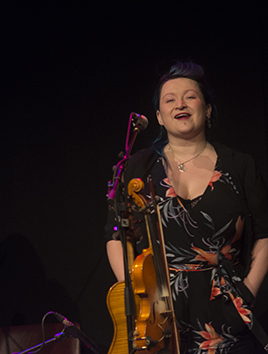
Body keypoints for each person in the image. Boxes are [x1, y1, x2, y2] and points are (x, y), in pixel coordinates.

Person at [105, 62, 268, 353]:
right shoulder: (138, 166)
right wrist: (142, 297)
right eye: (169, 99)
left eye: (190, 96)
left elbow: (265, 233)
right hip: (160, 312)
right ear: (159, 116)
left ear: (207, 109)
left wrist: (248, 290)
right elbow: (115, 236)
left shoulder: (240, 165)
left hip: (227, 306)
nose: (180, 103)